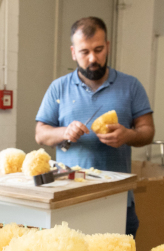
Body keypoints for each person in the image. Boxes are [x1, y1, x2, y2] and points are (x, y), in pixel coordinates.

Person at [35, 17, 155, 237]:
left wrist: (128, 135)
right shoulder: (58, 88)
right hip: (69, 197)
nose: (93, 58)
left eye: (99, 50)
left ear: (107, 46)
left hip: (118, 198)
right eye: (84, 52)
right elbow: (40, 134)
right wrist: (64, 132)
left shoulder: (131, 86)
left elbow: (148, 131)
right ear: (73, 52)